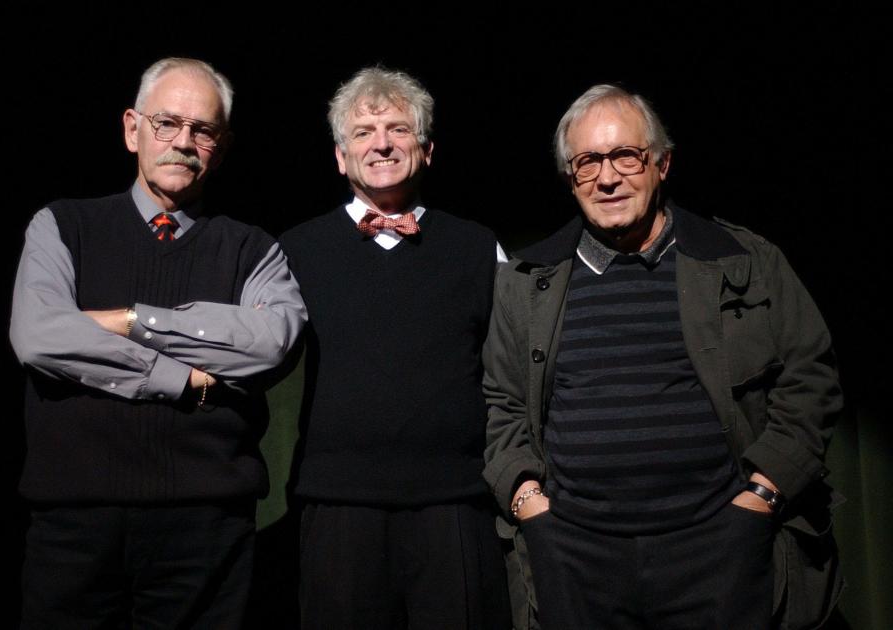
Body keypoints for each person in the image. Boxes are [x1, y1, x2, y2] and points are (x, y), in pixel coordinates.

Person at [482, 84, 843, 630]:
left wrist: (761, 500)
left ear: (662, 163)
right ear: (570, 177)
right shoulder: (525, 283)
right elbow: (501, 404)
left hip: (720, 547)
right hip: (575, 557)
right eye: (587, 163)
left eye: (625, 156)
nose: (607, 178)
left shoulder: (743, 260)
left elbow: (811, 379)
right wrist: (532, 506)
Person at [10, 57, 306, 628]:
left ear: (222, 145)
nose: (183, 142)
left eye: (203, 130)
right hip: (75, 525)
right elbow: (39, 335)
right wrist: (178, 378)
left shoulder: (254, 249)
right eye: (166, 123)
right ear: (132, 128)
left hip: (205, 529)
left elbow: (270, 344)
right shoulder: (62, 225)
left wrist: (129, 319)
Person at [279, 67, 510, 629]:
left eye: (397, 129)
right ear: (340, 156)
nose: (381, 143)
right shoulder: (293, 251)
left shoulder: (480, 248)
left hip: (454, 503)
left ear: (426, 150)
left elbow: (514, 372)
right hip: (338, 506)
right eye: (363, 132)